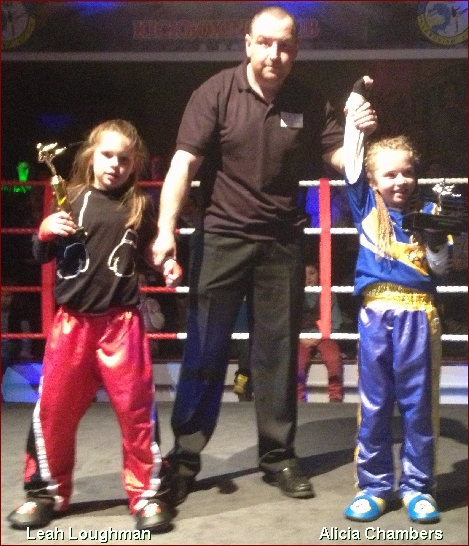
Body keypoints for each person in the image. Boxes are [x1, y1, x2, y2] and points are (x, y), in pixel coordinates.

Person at [151, 6, 377, 505]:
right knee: (205, 351)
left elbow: (342, 159)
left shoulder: (309, 99)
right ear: (248, 44)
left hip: (281, 243)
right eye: (266, 43)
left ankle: (278, 456)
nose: (276, 53)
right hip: (221, 237)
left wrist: (358, 131)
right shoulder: (214, 93)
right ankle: (184, 459)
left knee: (276, 353)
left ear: (295, 49)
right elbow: (183, 164)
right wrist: (166, 229)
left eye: (286, 45)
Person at [7, 119, 173, 532]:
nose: (115, 165)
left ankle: (146, 494)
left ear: (134, 164)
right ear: (90, 156)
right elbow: (41, 253)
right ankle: (46, 493)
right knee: (54, 411)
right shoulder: (71, 197)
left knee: (136, 413)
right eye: (107, 155)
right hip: (73, 325)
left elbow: (151, 253)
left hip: (122, 324)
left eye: (124, 159)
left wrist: (166, 261)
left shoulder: (140, 205)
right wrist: (44, 231)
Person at [342, 78, 450, 524]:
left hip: (419, 318)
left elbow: (440, 269)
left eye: (407, 172)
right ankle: (374, 487)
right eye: (389, 174)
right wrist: (354, 108)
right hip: (376, 316)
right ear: (372, 179)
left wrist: (437, 241)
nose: (400, 180)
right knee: (374, 405)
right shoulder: (366, 207)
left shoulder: (430, 214)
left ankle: (419, 487)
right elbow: (351, 158)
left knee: (418, 407)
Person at [297, 263, 344, 403]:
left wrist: (322, 335)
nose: (308, 278)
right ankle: (299, 398)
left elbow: (336, 320)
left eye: (312, 273)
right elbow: (289, 321)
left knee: (333, 358)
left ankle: (335, 396)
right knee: (298, 361)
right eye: (304, 274)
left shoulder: (327, 293)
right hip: (301, 337)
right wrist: (299, 337)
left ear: (319, 274)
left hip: (324, 336)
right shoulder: (294, 294)